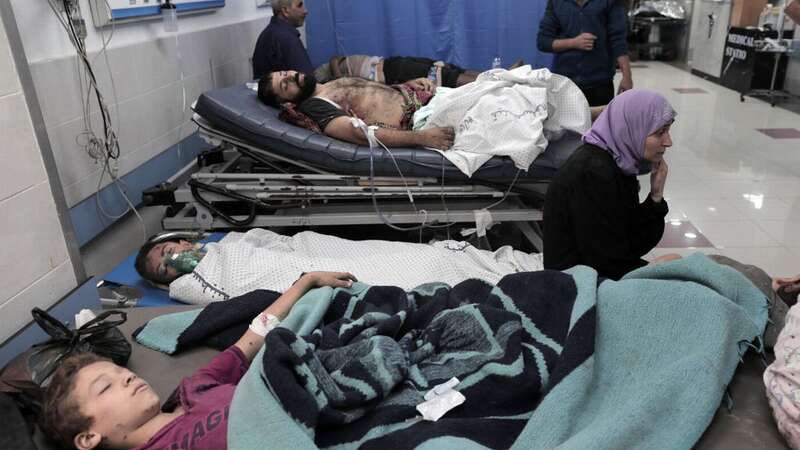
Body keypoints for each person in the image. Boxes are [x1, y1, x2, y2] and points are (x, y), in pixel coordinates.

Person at [39, 271, 356, 450]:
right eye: (105, 387)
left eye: (120, 371)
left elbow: (254, 336)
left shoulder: (194, 387)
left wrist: (304, 283)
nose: (127, 377)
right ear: (88, 437)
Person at [543, 89, 677, 280]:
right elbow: (608, 261)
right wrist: (656, 271)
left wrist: (655, 197)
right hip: (578, 284)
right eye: (660, 132)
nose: (668, 142)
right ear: (631, 127)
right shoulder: (592, 173)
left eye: (668, 131)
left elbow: (632, 243)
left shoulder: (618, 161)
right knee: (677, 270)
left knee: (677, 266)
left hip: (600, 271)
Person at [259, 70, 456, 150]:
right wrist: (422, 138)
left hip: (426, 97)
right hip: (423, 119)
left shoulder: (330, 83)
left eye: (286, 73)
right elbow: (359, 134)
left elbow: (375, 96)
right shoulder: (315, 106)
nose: (291, 77)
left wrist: (407, 85)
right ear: (287, 104)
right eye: (285, 86)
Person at [537, 0, 633, 106]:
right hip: (564, 84)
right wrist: (573, 43)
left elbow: (618, 40)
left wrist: (627, 76)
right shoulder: (556, 3)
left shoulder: (609, 2)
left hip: (600, 85)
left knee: (600, 122)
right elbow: (543, 42)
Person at [315, 55, 491, 87]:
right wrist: (344, 81)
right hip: (393, 74)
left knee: (447, 68)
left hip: (392, 63)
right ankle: (497, 80)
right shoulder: (326, 86)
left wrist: (340, 77)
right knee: (447, 76)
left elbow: (334, 58)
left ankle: (497, 75)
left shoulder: (324, 72)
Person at [252, 0, 312, 79]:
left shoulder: (270, 32)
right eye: (299, 6)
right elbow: (308, 80)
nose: (305, 11)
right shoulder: (286, 38)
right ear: (285, 11)